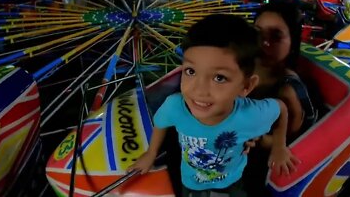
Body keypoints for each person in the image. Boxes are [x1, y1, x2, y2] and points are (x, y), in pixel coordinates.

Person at [127, 14, 299, 197]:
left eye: (219, 78)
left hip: (233, 182)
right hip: (190, 182)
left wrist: (279, 147)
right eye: (191, 71)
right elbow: (161, 123)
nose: (199, 90)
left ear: (247, 86)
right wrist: (151, 153)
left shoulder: (251, 114)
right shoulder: (175, 106)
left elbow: (281, 108)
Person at [243, 0, 317, 197]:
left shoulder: (288, 92)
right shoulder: (246, 68)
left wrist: (251, 138)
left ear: (292, 43)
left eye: (276, 36)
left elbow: (289, 144)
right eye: (258, 32)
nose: (265, 42)